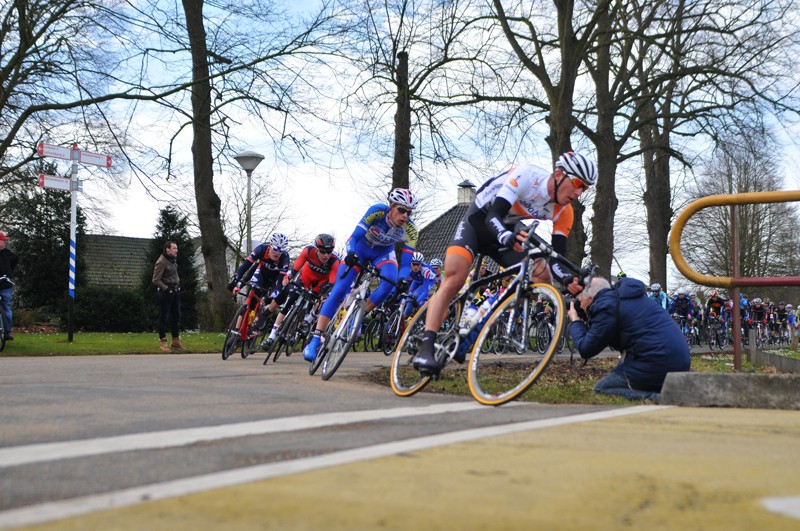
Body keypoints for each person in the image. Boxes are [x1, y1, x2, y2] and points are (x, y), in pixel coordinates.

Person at [413, 151, 596, 375]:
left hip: (507, 229)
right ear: (559, 174)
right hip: (479, 221)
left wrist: (568, 279)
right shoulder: (528, 177)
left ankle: (483, 321)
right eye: (577, 183)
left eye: (585, 188)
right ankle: (426, 345)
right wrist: (505, 237)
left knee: (541, 274)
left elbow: (557, 259)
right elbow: (492, 216)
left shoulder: (564, 213)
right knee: (454, 278)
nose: (579, 192)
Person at [302, 188, 419, 362]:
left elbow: (406, 262)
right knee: (340, 289)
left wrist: (403, 279)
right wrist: (351, 253)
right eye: (401, 210)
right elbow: (353, 238)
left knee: (391, 282)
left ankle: (356, 317)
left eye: (409, 212)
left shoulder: (411, 230)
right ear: (391, 206)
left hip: (383, 254)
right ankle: (316, 337)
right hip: (361, 250)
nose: (405, 216)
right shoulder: (377, 211)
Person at [568, 276, 690, 402]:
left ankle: (657, 398)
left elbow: (586, 349)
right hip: (680, 360)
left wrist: (576, 321)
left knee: (602, 388)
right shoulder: (625, 297)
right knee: (625, 366)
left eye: (580, 301)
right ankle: (661, 389)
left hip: (657, 361)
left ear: (591, 298)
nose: (580, 306)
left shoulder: (606, 307)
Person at [261, 234, 340, 350]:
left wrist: (326, 295)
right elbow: (297, 265)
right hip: (305, 278)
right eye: (323, 251)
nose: (326, 255)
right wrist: (290, 275)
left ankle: (308, 320)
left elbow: (332, 284)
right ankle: (272, 336)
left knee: (322, 300)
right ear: (317, 249)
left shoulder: (334, 261)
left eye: (329, 252)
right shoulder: (308, 251)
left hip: (321, 283)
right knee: (290, 300)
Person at [227, 233, 291, 325]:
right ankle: (236, 330)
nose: (277, 253)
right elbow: (245, 266)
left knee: (272, 298)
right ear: (270, 245)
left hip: (275, 278)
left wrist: (273, 294)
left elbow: (280, 282)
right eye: (275, 248)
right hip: (261, 273)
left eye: (281, 250)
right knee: (250, 298)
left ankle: (262, 321)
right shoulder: (261, 248)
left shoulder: (285, 257)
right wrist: (236, 279)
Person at [152, 241, 185, 352]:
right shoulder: (161, 262)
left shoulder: (172, 260)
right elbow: (156, 280)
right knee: (164, 318)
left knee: (177, 316)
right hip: (166, 293)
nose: (177, 250)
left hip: (175, 291)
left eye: (176, 248)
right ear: (167, 249)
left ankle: (175, 341)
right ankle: (163, 342)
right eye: (174, 248)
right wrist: (166, 289)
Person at [404, 252, 436, 318]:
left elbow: (425, 291)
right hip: (417, 279)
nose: (416, 266)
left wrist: (417, 302)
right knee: (409, 296)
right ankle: (404, 317)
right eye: (414, 264)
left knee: (415, 295)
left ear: (421, 264)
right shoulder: (407, 268)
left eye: (418, 264)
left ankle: (422, 314)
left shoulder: (426, 270)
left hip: (428, 281)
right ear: (410, 263)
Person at [0, 232, 19, 341]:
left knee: (6, 306)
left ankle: (8, 331)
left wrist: (9, 273)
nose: (5, 243)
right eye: (3, 241)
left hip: (5, 284)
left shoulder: (7, 253)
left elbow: (16, 260)